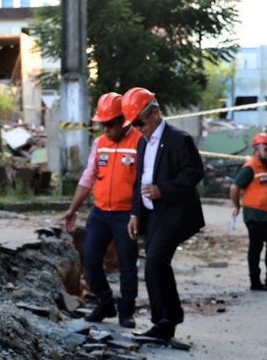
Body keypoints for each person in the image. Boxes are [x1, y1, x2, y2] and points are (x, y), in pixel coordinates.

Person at [123, 87, 205, 341]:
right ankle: (164, 321)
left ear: (155, 113)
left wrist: (163, 190)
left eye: (140, 122)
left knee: (156, 262)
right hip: (152, 215)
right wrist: (134, 214)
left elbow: (194, 173)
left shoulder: (179, 140)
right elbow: (140, 180)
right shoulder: (141, 142)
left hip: (174, 214)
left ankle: (167, 321)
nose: (138, 128)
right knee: (153, 266)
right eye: (134, 124)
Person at [60, 92, 142, 328]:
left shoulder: (139, 143)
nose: (106, 129)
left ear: (123, 121)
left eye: (110, 124)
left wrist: (139, 214)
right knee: (90, 257)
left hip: (127, 214)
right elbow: (88, 178)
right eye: (102, 124)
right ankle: (105, 303)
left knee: (127, 263)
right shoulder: (100, 144)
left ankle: (127, 311)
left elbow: (144, 181)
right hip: (100, 213)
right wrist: (72, 209)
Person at [230, 133, 267, 291]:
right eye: (265, 148)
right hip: (255, 216)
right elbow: (235, 187)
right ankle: (255, 281)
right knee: (256, 248)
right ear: (256, 150)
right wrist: (236, 206)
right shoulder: (250, 167)